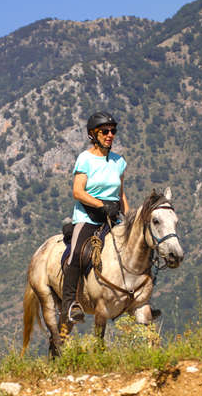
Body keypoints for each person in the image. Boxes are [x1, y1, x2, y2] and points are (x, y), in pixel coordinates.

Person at [60, 112, 130, 326]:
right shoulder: (85, 159)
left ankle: (138, 299)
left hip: (113, 218)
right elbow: (78, 192)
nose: (110, 135)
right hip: (88, 217)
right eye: (105, 131)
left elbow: (121, 194)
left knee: (137, 250)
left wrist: (129, 219)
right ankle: (70, 305)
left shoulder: (119, 162)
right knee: (77, 253)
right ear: (93, 134)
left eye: (113, 131)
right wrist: (102, 205)